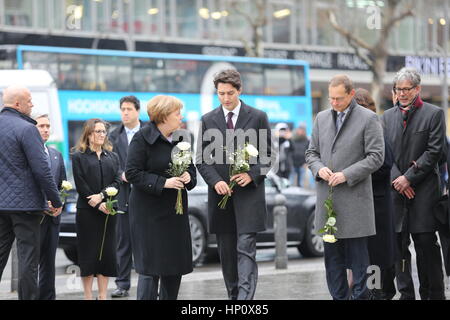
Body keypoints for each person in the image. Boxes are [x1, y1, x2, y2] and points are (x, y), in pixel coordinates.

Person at [196, 69, 274, 300]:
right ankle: (234, 297)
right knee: (227, 254)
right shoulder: (208, 119)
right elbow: (201, 159)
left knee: (246, 249)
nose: (226, 98)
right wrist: (216, 181)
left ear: (239, 91)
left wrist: (252, 174)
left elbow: (269, 155)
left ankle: (244, 300)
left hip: (249, 197)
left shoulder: (258, 116)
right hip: (221, 200)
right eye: (221, 93)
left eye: (230, 93)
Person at [305, 75, 384, 300]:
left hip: (356, 204)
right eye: (331, 98)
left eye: (339, 98)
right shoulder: (320, 118)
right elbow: (311, 153)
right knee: (333, 263)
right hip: (328, 205)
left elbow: (377, 156)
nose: (334, 103)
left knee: (360, 263)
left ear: (351, 94)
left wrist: (346, 175)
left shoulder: (369, 119)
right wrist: (318, 169)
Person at [382, 67, 446, 300]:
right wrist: (398, 179)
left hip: (425, 193)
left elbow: (434, 151)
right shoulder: (386, 117)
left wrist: (409, 177)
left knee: (426, 245)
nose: (402, 94)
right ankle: (406, 294)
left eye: (407, 89)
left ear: (417, 89)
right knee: (399, 249)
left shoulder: (434, 114)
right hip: (396, 193)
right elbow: (383, 154)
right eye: (398, 89)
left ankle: (433, 294)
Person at [125, 95, 196, 300]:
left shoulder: (182, 138)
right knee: (150, 269)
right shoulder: (141, 138)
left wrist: (187, 176)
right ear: (164, 116)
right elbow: (132, 173)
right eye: (177, 113)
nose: (180, 117)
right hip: (149, 216)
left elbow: (192, 170)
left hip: (175, 215)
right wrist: (163, 183)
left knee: (174, 268)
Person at [0, 85, 62, 300]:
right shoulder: (27, 129)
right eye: (29, 101)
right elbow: (41, 170)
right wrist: (55, 199)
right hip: (26, 206)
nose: (32, 104)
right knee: (28, 261)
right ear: (17, 104)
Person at [353, 88, 396, 300]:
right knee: (363, 257)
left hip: (376, 206)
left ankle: (378, 294)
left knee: (376, 257)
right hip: (359, 205)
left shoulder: (375, 128)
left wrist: (354, 172)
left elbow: (385, 163)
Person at [71, 118, 121, 300]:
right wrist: (96, 202)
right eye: (97, 131)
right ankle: (87, 296)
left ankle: (102, 296)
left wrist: (102, 197)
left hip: (108, 212)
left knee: (106, 254)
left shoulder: (112, 156)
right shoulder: (78, 156)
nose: (101, 135)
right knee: (88, 254)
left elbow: (117, 181)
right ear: (88, 134)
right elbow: (80, 183)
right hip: (87, 212)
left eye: (103, 131)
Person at [108, 95, 145, 298]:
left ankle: (149, 280)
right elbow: (110, 163)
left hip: (145, 194)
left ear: (137, 111)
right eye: (122, 109)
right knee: (123, 242)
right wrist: (121, 173)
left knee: (146, 241)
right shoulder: (113, 136)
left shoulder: (149, 132)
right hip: (123, 194)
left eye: (129, 109)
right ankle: (122, 284)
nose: (125, 112)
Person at [35, 114, 67, 300]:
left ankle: (48, 297)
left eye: (48, 126)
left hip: (53, 218)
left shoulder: (56, 154)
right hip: (34, 216)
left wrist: (60, 205)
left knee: (49, 262)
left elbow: (63, 185)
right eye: (41, 126)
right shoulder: (26, 153)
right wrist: (42, 203)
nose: (46, 129)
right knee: (31, 263)